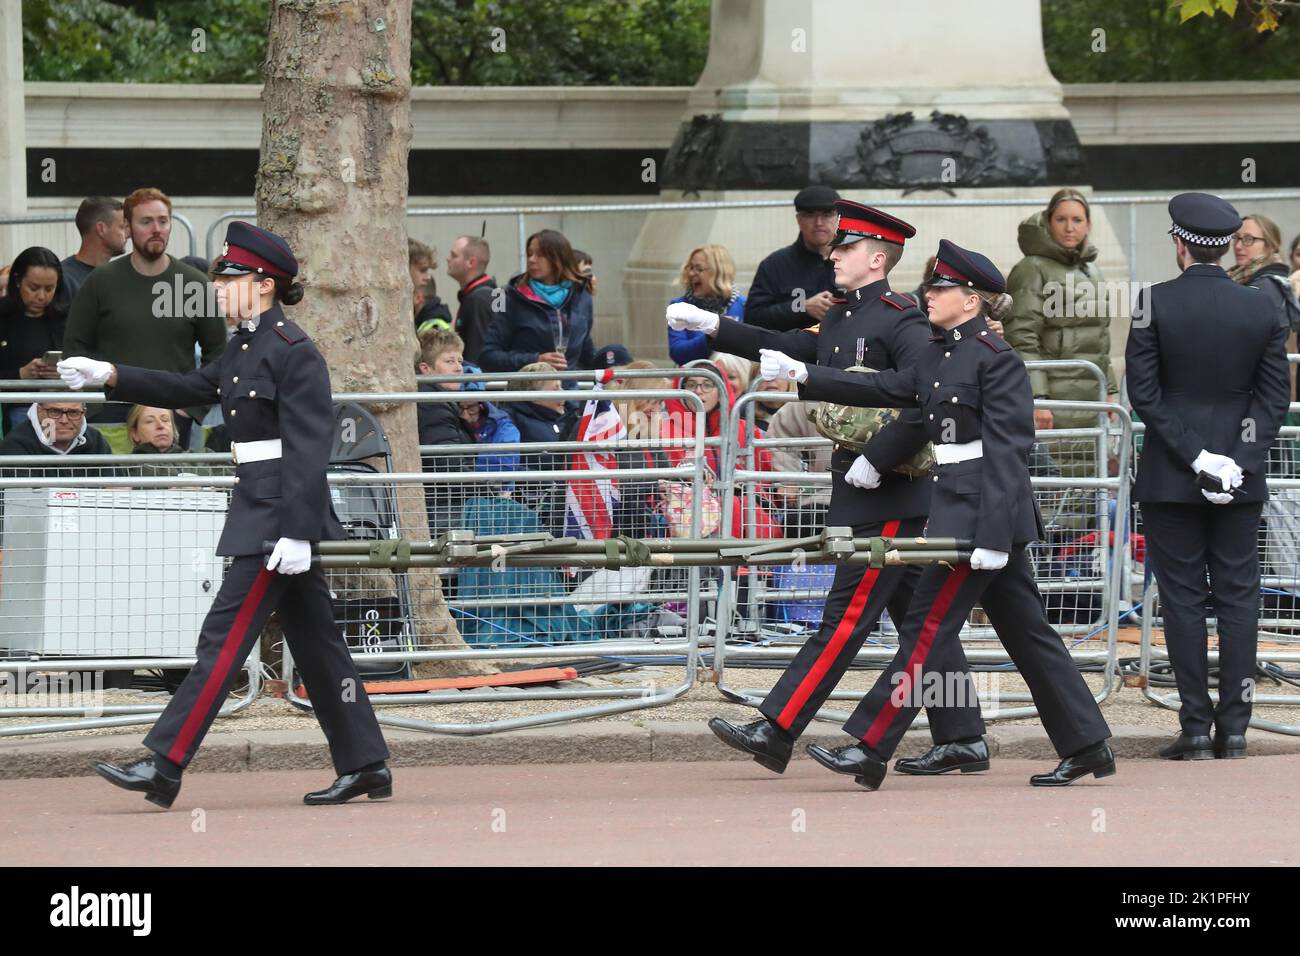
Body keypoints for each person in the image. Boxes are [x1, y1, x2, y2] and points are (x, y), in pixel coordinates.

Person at [758, 238, 1116, 789]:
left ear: (970, 300)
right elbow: (889, 392)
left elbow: (1007, 454)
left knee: (924, 631)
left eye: (942, 287)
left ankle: (871, 745)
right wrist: (805, 377)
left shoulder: (998, 361)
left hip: (981, 517)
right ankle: (1089, 744)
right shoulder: (941, 352)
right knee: (1029, 636)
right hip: (958, 507)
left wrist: (992, 533)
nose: (930, 292)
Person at [58, 221, 392, 809]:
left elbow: (309, 452)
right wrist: (112, 375)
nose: (217, 287)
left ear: (262, 285)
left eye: (228, 276)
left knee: (222, 640)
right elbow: (189, 385)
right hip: (261, 508)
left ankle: (164, 764)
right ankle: (367, 763)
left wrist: (296, 531)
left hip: (276, 519)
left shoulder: (295, 351)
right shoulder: (244, 346)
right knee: (318, 646)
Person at [673, 201, 986, 777]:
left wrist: (875, 457)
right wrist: (714, 326)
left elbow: (922, 392)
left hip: (891, 488)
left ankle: (779, 725)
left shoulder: (903, 319)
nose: (832, 254)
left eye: (844, 249)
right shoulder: (844, 314)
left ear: (875, 258)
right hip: (862, 483)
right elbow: (788, 345)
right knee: (920, 622)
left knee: (846, 615)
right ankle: (964, 734)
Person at [1127, 193, 1290, 761]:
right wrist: (1236, 461)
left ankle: (1196, 727)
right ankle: (1236, 728)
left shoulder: (1152, 302)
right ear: (1224, 247)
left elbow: (1145, 395)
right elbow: (1274, 399)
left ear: (1180, 244)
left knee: (1183, 600)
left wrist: (1197, 458)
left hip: (1174, 476)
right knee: (1240, 599)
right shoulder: (1261, 307)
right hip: (1239, 477)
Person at [61, 187, 225, 448]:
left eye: (163, 221)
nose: (156, 229)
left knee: (174, 490)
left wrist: (193, 407)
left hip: (173, 416)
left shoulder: (194, 283)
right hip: (110, 415)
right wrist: (92, 406)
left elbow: (218, 354)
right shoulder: (101, 281)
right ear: (127, 226)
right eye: (146, 222)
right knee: (114, 490)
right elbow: (74, 346)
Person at [1003, 189, 1119, 434]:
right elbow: (1022, 339)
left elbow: (1099, 337)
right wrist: (1039, 398)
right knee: (1055, 469)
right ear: (1048, 222)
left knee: (1089, 467)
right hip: (1053, 403)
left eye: (1077, 220)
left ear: (1088, 225)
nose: (1069, 228)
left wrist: (1109, 390)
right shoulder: (1031, 268)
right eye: (1061, 219)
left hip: (1091, 398)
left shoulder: (1092, 270)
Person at [479, 229, 595, 380]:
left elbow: (585, 350)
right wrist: (535, 360)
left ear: (559, 258)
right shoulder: (502, 295)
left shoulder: (582, 295)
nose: (532, 260)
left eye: (540, 255)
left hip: (570, 395)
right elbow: (488, 356)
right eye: (530, 253)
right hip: (527, 395)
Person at [743, 186, 840, 331]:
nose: (819, 222)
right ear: (799, 220)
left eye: (827, 214)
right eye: (810, 214)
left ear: (838, 219)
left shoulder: (857, 262)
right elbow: (753, 318)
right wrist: (801, 306)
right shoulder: (774, 265)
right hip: (788, 351)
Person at [1231, 213, 1300, 397]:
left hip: (1255, 389)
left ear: (1270, 245)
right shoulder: (1249, 280)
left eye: (1249, 239)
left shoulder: (1265, 286)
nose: (1238, 246)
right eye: (1236, 238)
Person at [0, 247, 67, 431]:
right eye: (34, 288)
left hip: (62, 408)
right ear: (17, 280)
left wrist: (64, 371)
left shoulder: (66, 319)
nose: (41, 296)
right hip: (13, 408)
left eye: (49, 289)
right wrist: (21, 375)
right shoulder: (3, 317)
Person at [668, 244, 747, 364]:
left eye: (698, 269)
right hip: (696, 380)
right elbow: (678, 353)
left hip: (734, 380)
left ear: (719, 272)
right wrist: (713, 332)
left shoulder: (743, 306)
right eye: (690, 268)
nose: (691, 274)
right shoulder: (679, 307)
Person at [58, 196, 128, 308]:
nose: (128, 234)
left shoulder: (120, 277)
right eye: (122, 227)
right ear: (101, 229)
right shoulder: (64, 280)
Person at [446, 235, 497, 365]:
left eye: (454, 255)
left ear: (471, 262)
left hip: (480, 382)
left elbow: (477, 352)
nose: (448, 259)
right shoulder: (493, 294)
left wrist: (470, 381)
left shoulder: (478, 300)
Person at [0, 400, 112, 459]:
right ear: (39, 411)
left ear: (84, 413)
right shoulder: (16, 443)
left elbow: (115, 486)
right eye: (54, 412)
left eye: (73, 412)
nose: (64, 420)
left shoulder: (96, 440)